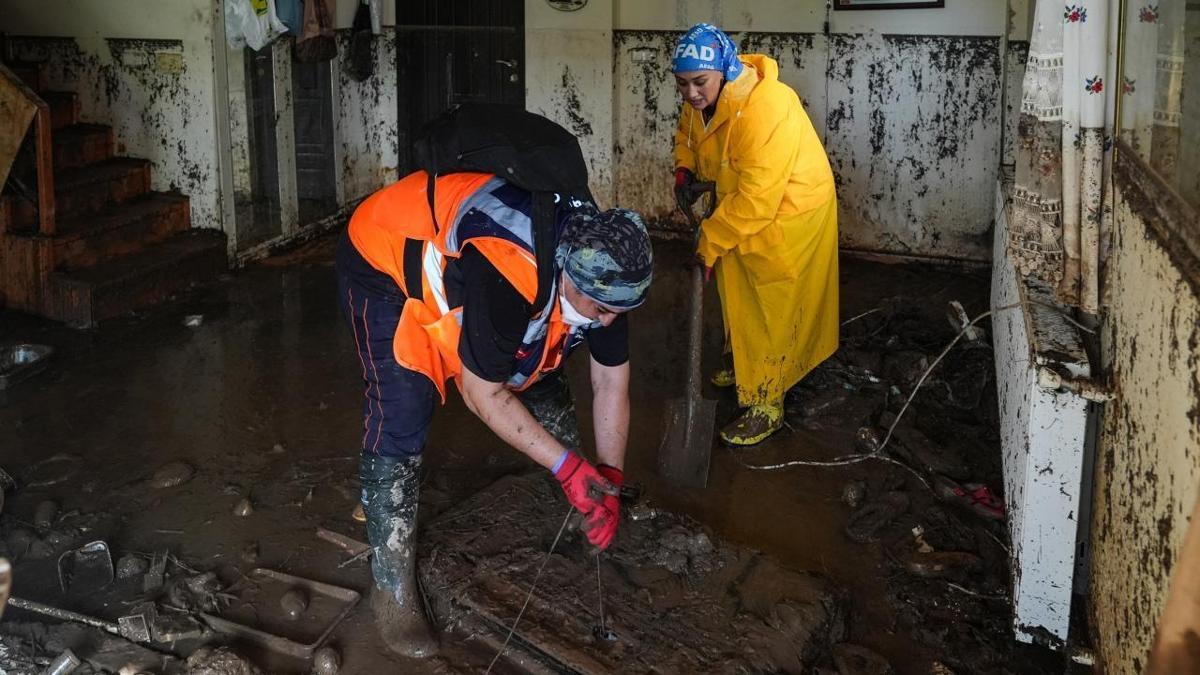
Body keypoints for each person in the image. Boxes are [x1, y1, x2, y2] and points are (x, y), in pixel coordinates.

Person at [335, 169, 653, 657]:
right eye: (602, 307)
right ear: (569, 274)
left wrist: (609, 473)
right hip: (387, 256)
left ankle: (579, 499)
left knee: (538, 363)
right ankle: (392, 587)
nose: (610, 320)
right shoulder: (510, 273)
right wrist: (567, 466)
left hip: (498, 278)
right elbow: (482, 394)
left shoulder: (604, 273)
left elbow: (610, 379)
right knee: (404, 402)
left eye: (619, 310)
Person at [671, 23, 840, 446]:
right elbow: (690, 135)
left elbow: (758, 200)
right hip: (740, 203)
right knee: (735, 285)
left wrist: (707, 243)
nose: (691, 93)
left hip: (787, 211)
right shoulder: (704, 99)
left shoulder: (767, 106)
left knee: (769, 300)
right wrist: (684, 168)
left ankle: (767, 402)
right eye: (682, 83)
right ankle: (742, 356)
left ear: (724, 70)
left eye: (698, 82)